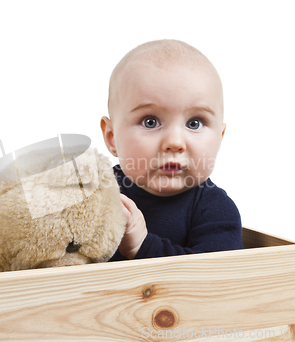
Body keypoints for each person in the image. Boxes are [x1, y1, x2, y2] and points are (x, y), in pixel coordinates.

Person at [100, 39, 244, 261]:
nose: (175, 142)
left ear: (220, 138)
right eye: (150, 121)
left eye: (194, 123)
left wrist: (143, 245)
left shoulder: (215, 211)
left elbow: (215, 281)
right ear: (112, 138)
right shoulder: (97, 192)